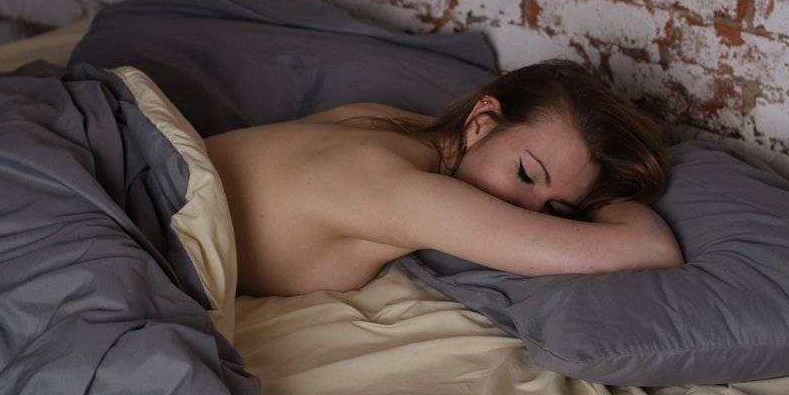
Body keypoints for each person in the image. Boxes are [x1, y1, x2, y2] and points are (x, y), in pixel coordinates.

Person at [203, 59, 683, 297]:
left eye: (557, 209)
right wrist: (603, 203)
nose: (529, 212)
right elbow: (652, 249)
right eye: (526, 174)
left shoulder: (381, 121)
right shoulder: (409, 195)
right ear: (482, 121)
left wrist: (587, 186)